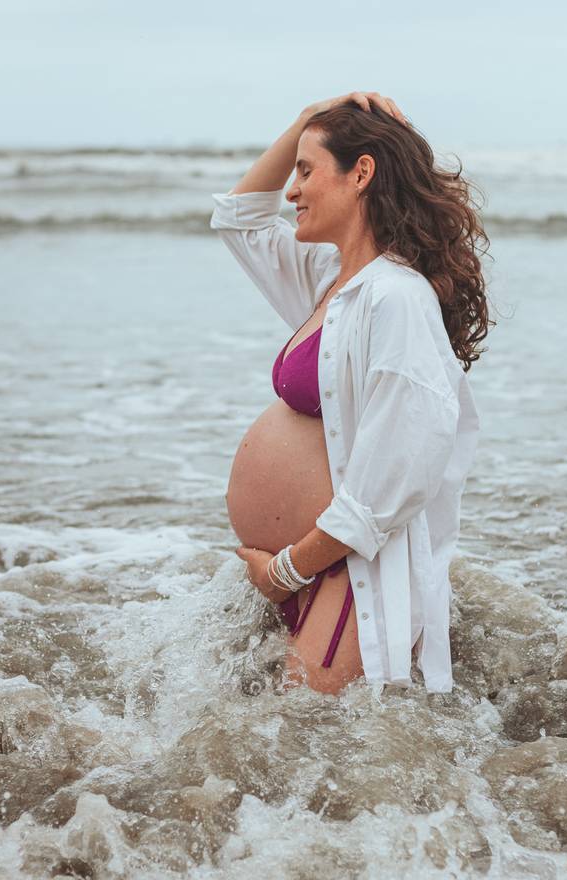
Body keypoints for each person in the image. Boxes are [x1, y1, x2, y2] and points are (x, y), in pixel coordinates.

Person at [210, 91, 491, 695]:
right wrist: (305, 120)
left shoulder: (397, 299)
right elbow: (240, 217)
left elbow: (395, 479)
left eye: (306, 171)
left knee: (300, 754)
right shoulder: (333, 280)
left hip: (347, 578)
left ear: (360, 173)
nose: (291, 190)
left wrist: (286, 570)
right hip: (307, 571)